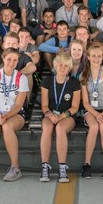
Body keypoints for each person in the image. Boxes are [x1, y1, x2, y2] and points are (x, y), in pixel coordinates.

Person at [0, 49, 29, 182]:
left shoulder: (21, 77)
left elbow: (18, 105)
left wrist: (6, 116)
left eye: (15, 60)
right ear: (3, 59)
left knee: (7, 126)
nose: (12, 62)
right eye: (9, 59)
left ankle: (15, 168)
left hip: (15, 113)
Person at [39, 52, 81, 183]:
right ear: (55, 66)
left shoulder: (74, 83)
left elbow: (75, 107)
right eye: (60, 65)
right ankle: (45, 167)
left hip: (67, 116)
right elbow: (44, 105)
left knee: (60, 128)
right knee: (47, 128)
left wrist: (61, 116)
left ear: (69, 68)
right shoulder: (47, 81)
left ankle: (62, 168)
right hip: (50, 114)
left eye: (66, 66)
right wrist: (50, 115)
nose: (63, 68)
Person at [79, 44, 103, 179]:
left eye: (99, 56)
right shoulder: (83, 75)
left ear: (102, 57)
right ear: (88, 57)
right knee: (94, 126)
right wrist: (96, 114)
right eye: (93, 56)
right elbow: (85, 102)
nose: (96, 58)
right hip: (91, 110)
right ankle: (86, 164)